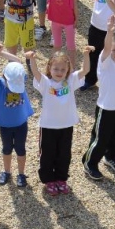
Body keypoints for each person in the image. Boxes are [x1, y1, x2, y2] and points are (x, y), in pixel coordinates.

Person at [27, 48, 91, 196]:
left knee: (64, 154)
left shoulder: (70, 81)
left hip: (66, 125)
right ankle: (49, 180)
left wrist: (86, 54)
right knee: (47, 154)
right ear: (50, 68)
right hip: (48, 126)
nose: (59, 71)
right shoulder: (46, 83)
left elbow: (85, 70)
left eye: (63, 69)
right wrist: (32, 59)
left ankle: (61, 179)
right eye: (56, 68)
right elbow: (36, 73)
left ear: (68, 69)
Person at [82, 15, 115, 181]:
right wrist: (110, 31)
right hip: (107, 107)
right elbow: (108, 47)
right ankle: (90, 163)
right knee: (100, 138)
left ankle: (111, 157)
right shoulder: (106, 61)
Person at [0, 44, 33, 188]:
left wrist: (2, 53)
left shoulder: (20, 76)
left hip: (21, 124)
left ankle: (21, 173)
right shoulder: (0, 85)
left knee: (21, 149)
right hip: (5, 126)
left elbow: (18, 61)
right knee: (6, 149)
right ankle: (7, 172)